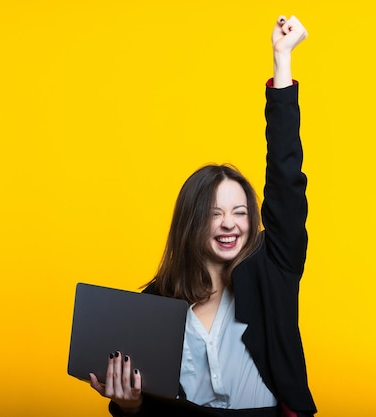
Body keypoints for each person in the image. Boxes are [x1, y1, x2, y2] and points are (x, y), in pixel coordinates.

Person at [89, 15, 317, 417]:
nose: (230, 223)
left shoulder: (272, 270)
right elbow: (144, 405)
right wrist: (129, 405)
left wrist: (282, 62)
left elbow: (285, 181)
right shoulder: (154, 303)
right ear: (191, 222)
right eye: (215, 214)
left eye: (240, 212)